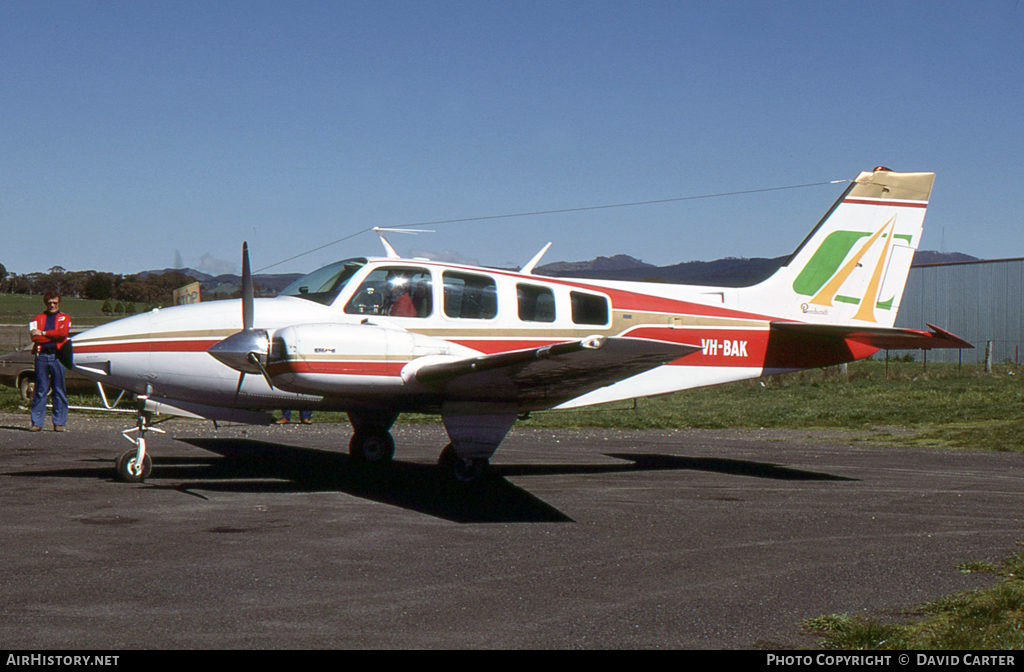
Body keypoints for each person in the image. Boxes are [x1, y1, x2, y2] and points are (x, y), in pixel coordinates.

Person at [29, 291, 71, 432]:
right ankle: (37, 422)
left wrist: (45, 333)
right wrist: (52, 336)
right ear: (45, 303)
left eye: (55, 303)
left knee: (59, 389)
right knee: (41, 389)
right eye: (49, 303)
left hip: (57, 357)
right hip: (41, 356)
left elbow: (63, 334)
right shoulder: (38, 318)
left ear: (59, 303)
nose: (52, 305)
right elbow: (35, 337)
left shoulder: (64, 318)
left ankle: (59, 422)